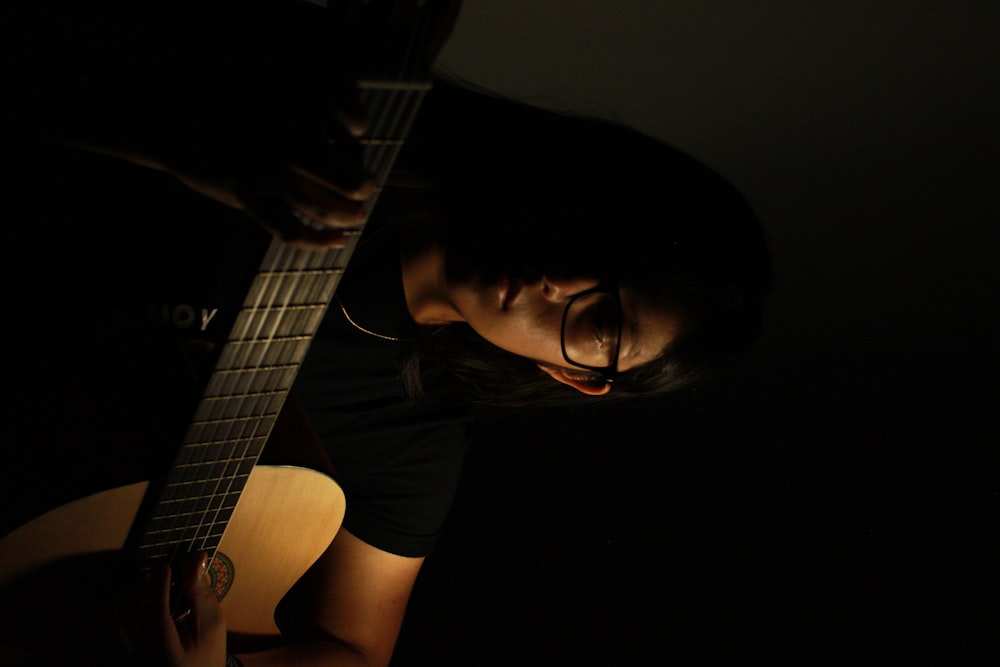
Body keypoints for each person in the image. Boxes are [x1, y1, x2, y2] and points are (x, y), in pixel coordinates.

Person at [1, 1, 771, 665]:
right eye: (598, 236)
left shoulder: (416, 437)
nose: (559, 278)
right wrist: (184, 145)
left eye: (602, 319)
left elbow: (358, 647)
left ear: (576, 376)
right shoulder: (316, 134)